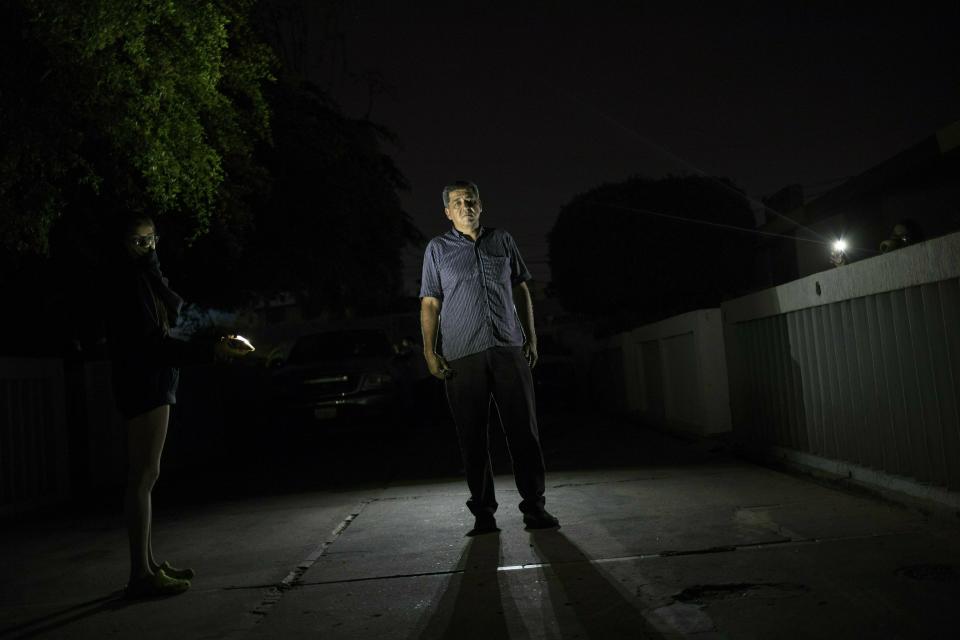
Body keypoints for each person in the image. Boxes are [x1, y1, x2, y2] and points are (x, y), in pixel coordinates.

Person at [104, 214, 253, 598]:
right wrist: (210, 349)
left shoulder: (149, 279)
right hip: (145, 382)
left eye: (151, 240)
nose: (148, 248)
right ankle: (140, 573)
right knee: (142, 477)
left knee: (146, 477)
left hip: (153, 379)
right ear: (121, 244)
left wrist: (212, 339)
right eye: (138, 242)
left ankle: (149, 564)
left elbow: (176, 319)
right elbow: (152, 343)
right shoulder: (128, 282)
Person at [419, 180, 559, 535]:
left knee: (524, 433)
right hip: (462, 356)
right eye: (457, 202)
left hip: (508, 348)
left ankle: (535, 509)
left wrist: (531, 337)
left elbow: (521, 288)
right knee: (472, 438)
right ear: (447, 212)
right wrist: (429, 352)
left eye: (471, 200)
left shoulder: (503, 240)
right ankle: (483, 514)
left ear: (480, 206)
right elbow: (430, 302)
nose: (465, 206)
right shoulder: (437, 249)